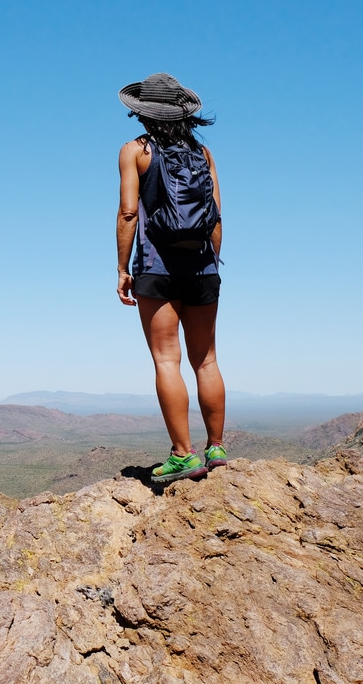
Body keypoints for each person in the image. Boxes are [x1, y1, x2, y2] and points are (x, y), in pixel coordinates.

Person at [115, 72, 226, 485]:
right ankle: (216, 449)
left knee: (167, 359)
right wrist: (213, 262)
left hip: (156, 268)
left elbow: (129, 213)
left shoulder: (135, 151)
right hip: (202, 268)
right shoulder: (204, 154)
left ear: (143, 114)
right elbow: (216, 216)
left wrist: (123, 268)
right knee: (207, 360)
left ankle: (184, 454)